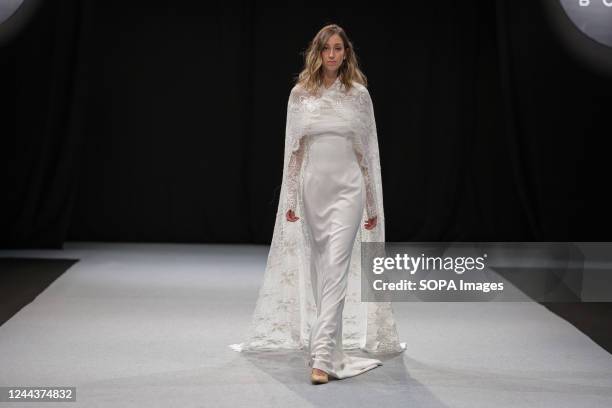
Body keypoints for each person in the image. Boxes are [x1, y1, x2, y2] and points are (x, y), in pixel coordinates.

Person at [229, 23, 406, 385]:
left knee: (338, 268)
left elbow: (367, 154)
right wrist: (290, 198)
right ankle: (329, 345)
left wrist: (372, 205)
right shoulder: (300, 94)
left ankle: (322, 359)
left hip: (349, 190)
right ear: (317, 52)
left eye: (338, 49)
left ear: (346, 53)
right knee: (320, 271)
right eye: (327, 48)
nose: (332, 55)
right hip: (313, 191)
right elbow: (293, 153)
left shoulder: (359, 95)